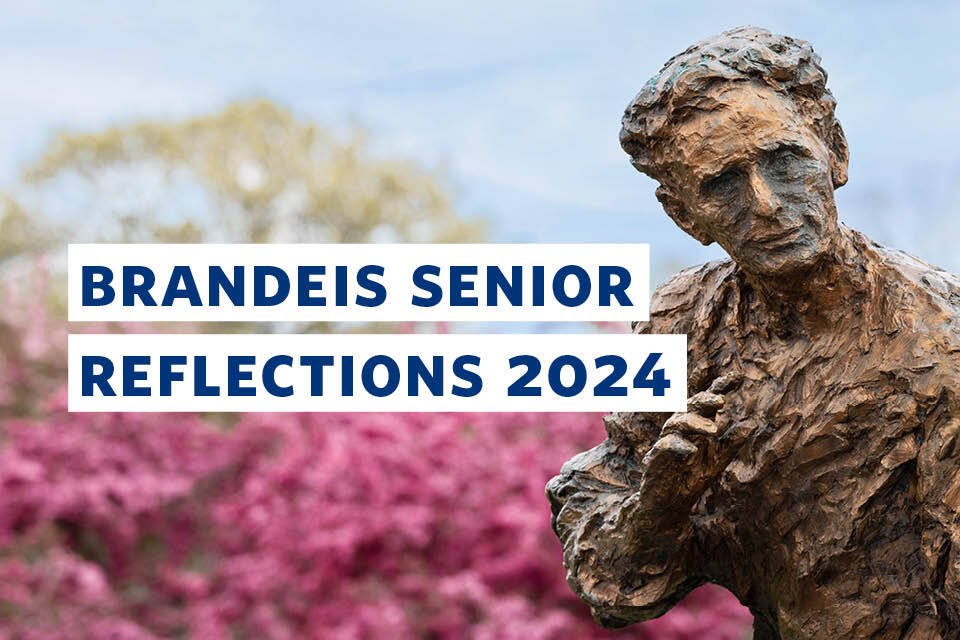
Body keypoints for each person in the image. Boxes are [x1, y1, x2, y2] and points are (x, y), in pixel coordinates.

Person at [546, 26, 960, 640]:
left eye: (784, 161)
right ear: (684, 214)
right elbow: (613, 584)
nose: (765, 204)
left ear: (835, 152)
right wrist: (661, 505)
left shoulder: (939, 342)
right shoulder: (681, 324)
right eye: (722, 183)